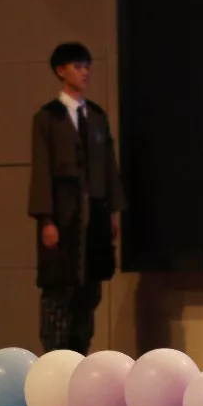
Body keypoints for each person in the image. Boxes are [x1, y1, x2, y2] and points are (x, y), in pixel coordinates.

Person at [27, 42, 125, 355]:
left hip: (95, 214)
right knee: (59, 289)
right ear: (61, 71)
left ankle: (81, 353)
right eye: (78, 66)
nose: (85, 72)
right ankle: (55, 357)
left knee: (89, 290)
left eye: (87, 66)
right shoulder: (47, 118)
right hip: (63, 215)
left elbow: (108, 165)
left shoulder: (96, 116)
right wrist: (47, 220)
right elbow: (41, 170)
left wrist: (112, 213)